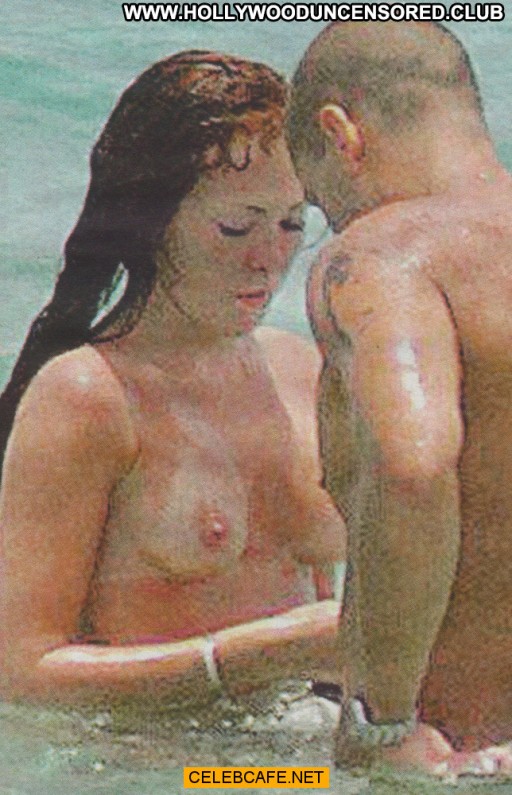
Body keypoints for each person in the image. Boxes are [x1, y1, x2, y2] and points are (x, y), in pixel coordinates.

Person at [0, 51, 345, 707]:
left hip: (303, 736)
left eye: (291, 223)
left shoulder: (297, 368)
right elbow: (20, 674)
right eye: (235, 227)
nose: (270, 259)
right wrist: (251, 657)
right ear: (151, 222)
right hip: (162, 753)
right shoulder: (88, 397)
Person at [287, 21, 512, 778]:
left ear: (341, 134)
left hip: (461, 758)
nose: (333, 222)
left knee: (216, 776)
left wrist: (380, 721)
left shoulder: (385, 253)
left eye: (321, 201)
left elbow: (411, 466)